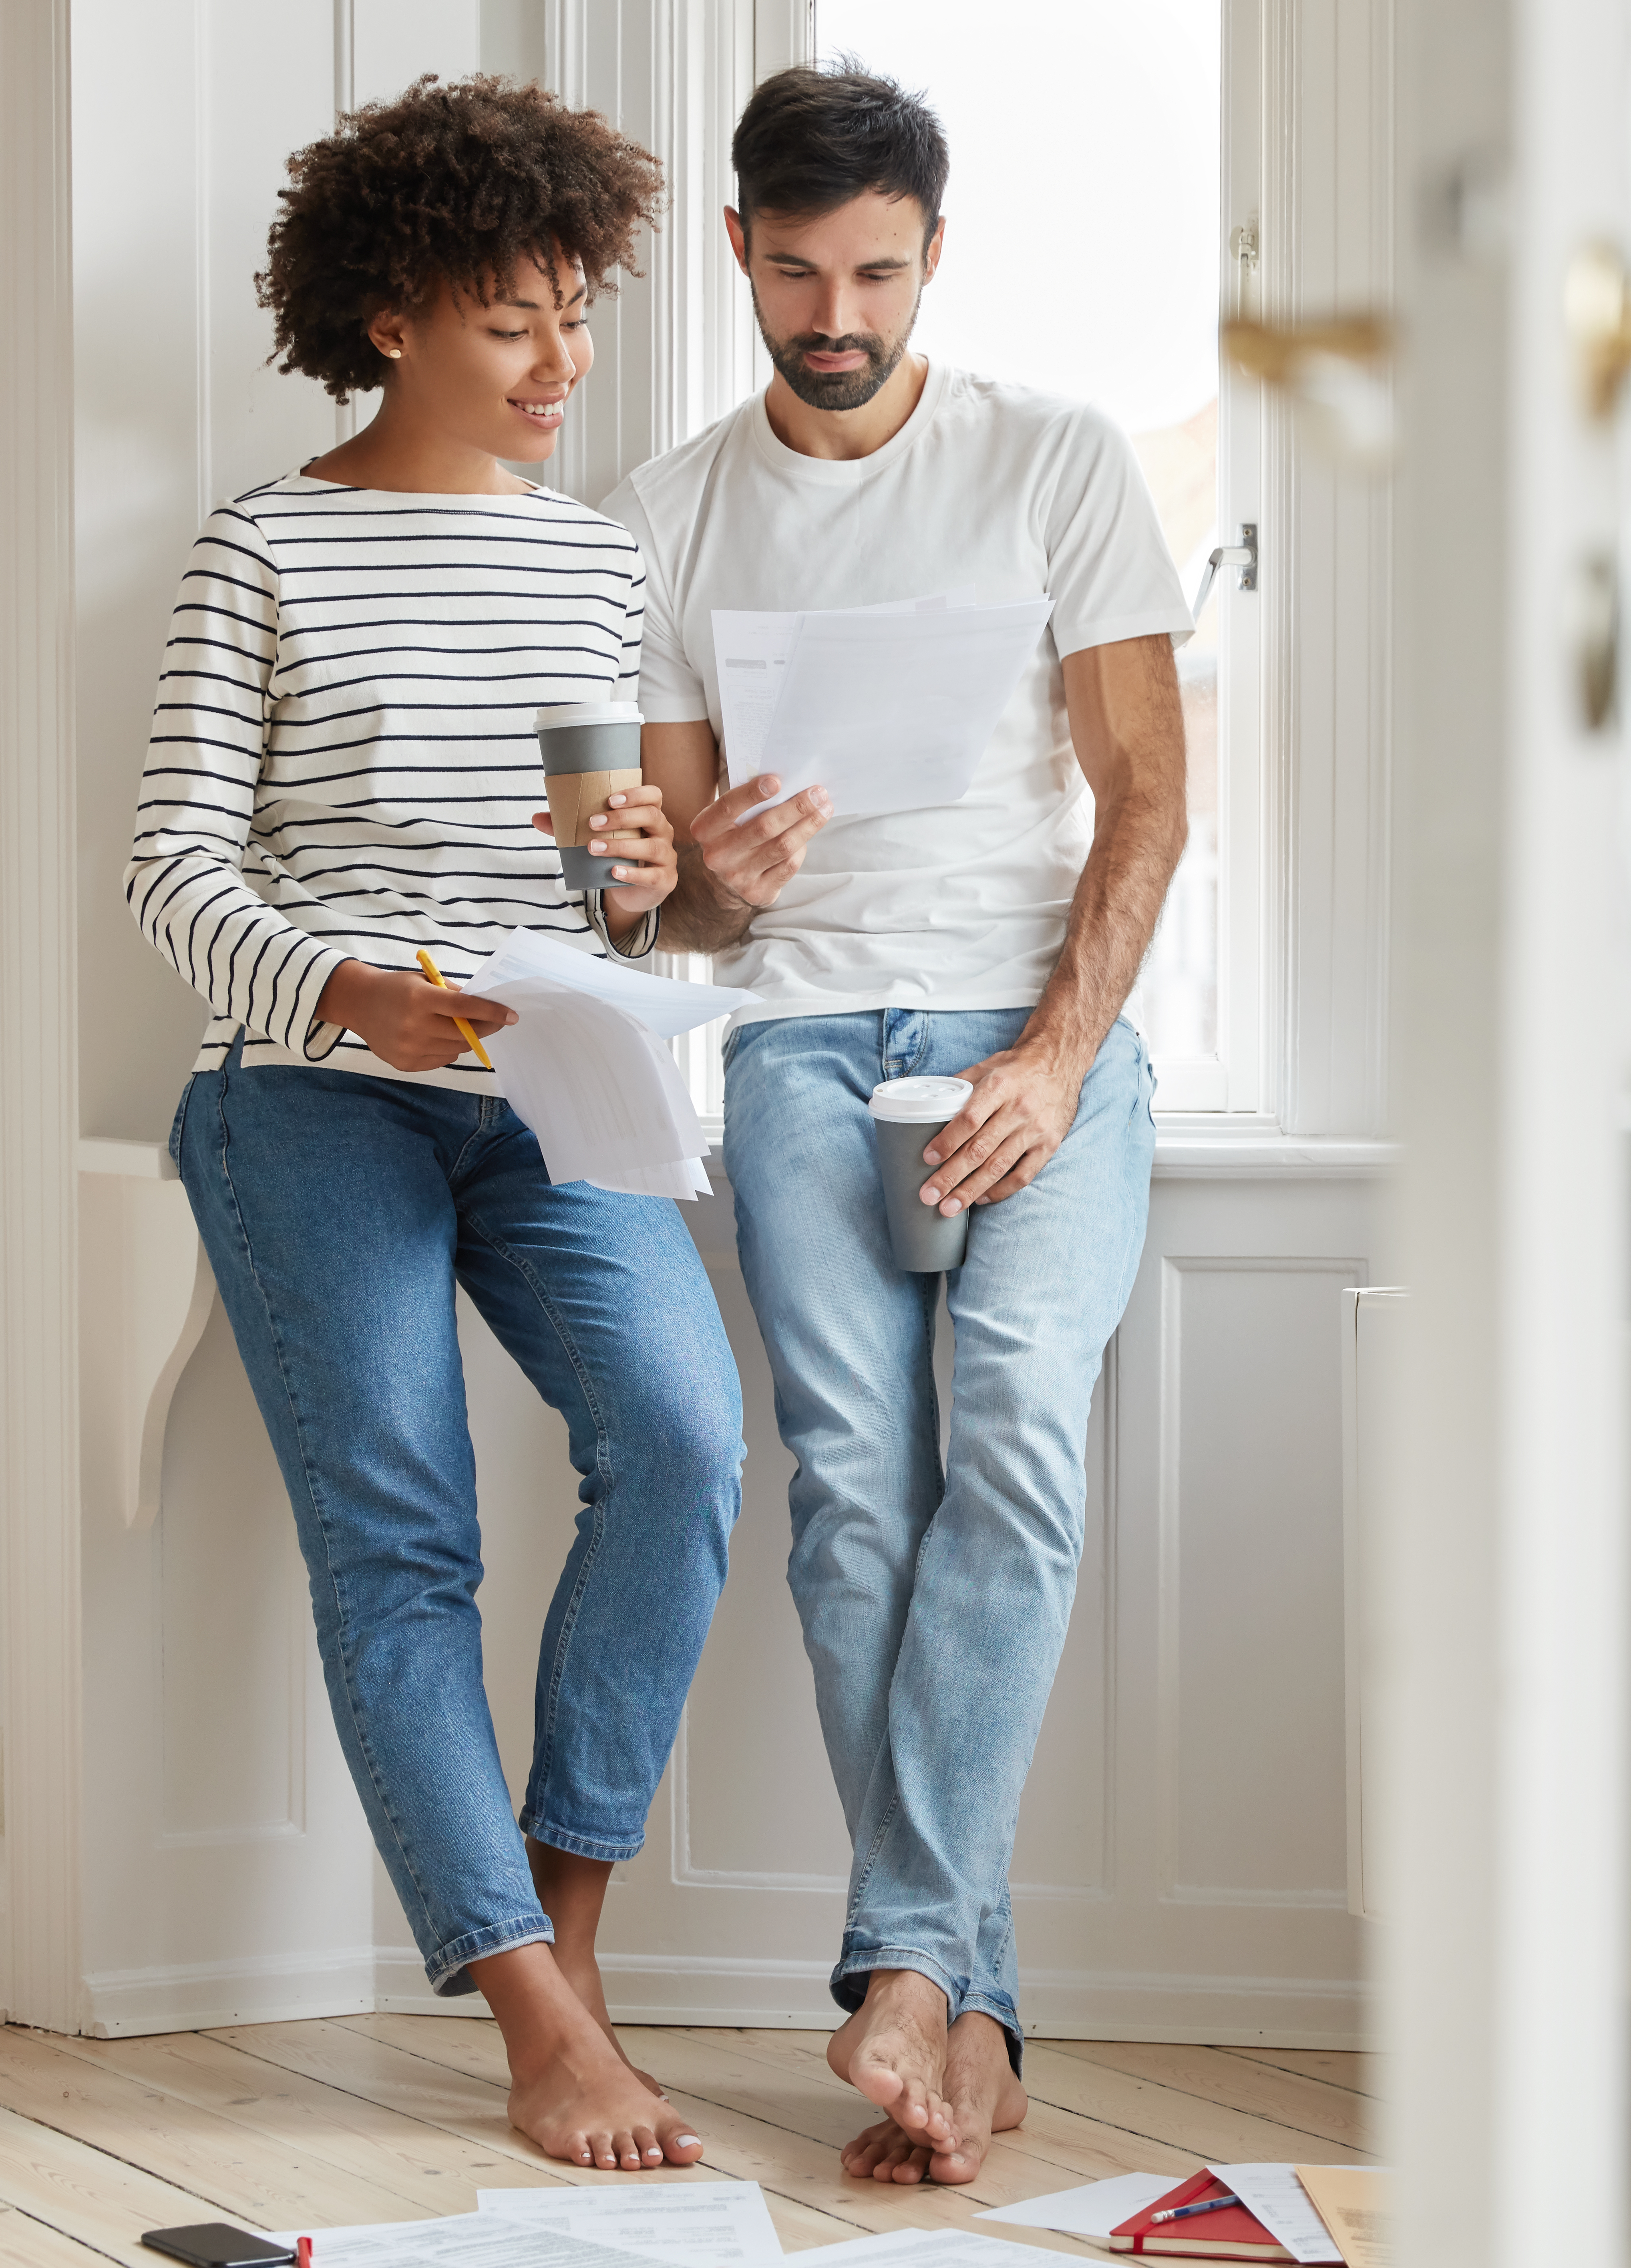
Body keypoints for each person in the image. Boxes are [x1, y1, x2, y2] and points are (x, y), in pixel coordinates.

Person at [123, 74, 732, 2173]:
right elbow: (177, 871)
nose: (567, 361)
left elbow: (587, 873)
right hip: (312, 1101)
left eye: (577, 311)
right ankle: (529, 2014)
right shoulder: (261, 545)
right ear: (391, 319)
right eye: (515, 322)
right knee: (405, 1537)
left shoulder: (592, 562)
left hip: (551, 1083)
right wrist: (340, 989)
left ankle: (559, 1936)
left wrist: (632, 873)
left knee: (681, 1441)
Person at [597, 62, 1193, 2189]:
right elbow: (656, 894)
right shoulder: (667, 510)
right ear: (740, 259)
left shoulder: (1053, 459)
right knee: (857, 1485)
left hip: (1030, 1031)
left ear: (934, 259)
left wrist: (1052, 1056)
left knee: (1016, 1435)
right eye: (791, 270)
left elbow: (1147, 791)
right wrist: (716, 882)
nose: (830, 309)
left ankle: (905, 1969)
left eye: (871, 270)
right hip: (797, 1041)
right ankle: (963, 1995)